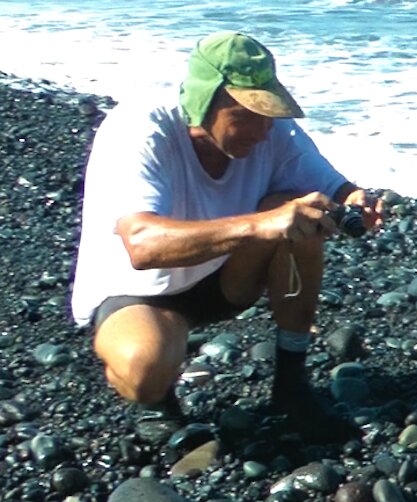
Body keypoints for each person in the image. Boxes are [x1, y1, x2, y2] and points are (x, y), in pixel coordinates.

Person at [69, 30, 383, 443]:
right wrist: (261, 224)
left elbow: (335, 188)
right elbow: (142, 246)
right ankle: (157, 403)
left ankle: (291, 384)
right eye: (247, 114)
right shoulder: (141, 129)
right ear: (206, 101)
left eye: (269, 113)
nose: (263, 129)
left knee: (302, 209)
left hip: (223, 281)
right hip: (139, 292)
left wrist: (357, 201)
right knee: (144, 370)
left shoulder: (275, 133)